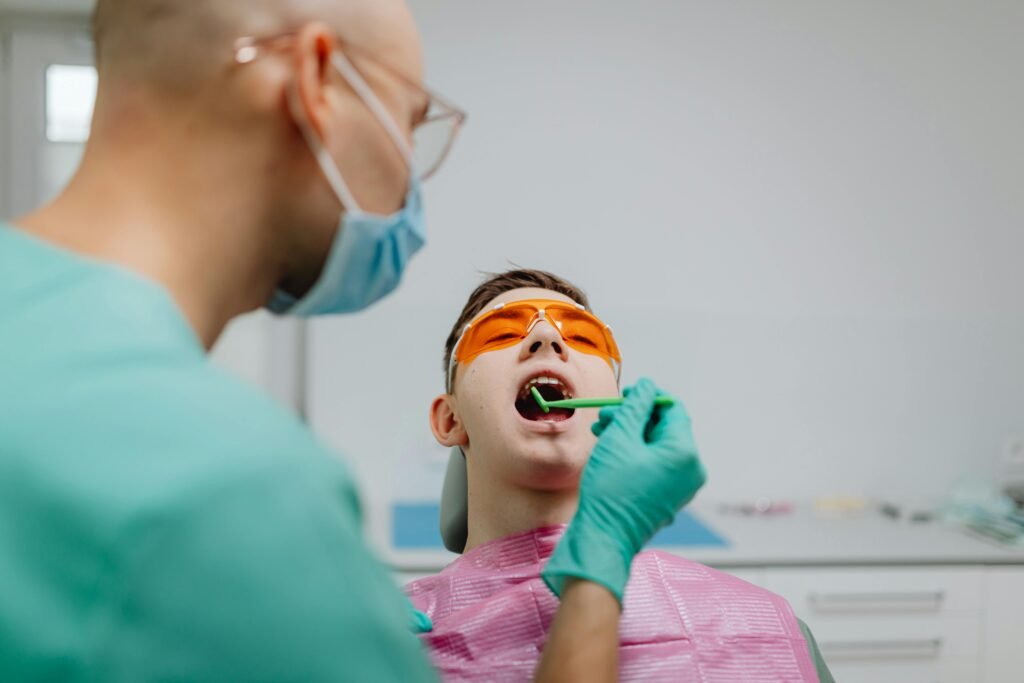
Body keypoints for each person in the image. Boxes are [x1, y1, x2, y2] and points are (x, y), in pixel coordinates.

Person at [0, 1, 705, 681]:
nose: (408, 184)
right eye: (409, 122)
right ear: (315, 83)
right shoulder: (233, 492)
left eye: (575, 333)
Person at [408, 269, 835, 682]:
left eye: (582, 336)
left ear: (613, 403)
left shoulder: (774, 629)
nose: (547, 337)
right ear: (449, 419)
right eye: (501, 333)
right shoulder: (387, 640)